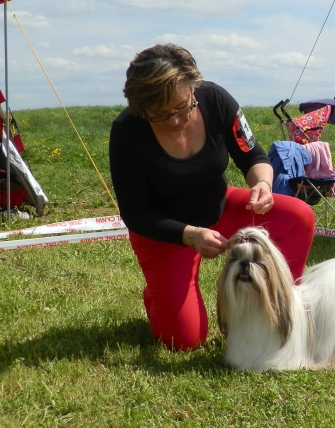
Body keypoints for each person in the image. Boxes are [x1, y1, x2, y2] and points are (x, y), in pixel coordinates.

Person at [109, 44, 315, 351]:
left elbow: (254, 156)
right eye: (160, 114)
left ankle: (279, 299)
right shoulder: (126, 131)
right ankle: (158, 294)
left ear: (194, 88)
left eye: (182, 107)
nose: (175, 120)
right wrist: (191, 236)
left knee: (298, 216)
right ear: (141, 109)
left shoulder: (216, 99)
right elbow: (135, 214)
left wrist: (262, 184)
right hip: (166, 233)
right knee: (185, 340)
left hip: (221, 209)